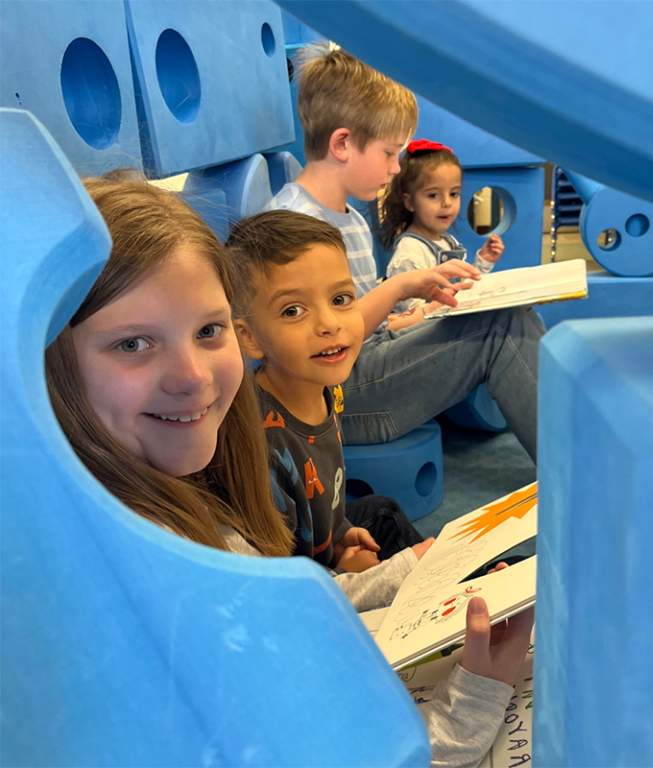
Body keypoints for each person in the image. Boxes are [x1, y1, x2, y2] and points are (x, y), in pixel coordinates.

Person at [46, 175, 534, 768]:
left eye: (207, 330)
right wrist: (481, 691)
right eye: (132, 345)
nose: (193, 377)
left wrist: (403, 571)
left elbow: (282, 588)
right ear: (50, 361)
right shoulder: (166, 572)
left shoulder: (194, 492)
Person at [266, 48, 544, 462]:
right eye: (389, 153)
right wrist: (399, 287)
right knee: (500, 328)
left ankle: (576, 447)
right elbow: (322, 340)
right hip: (339, 397)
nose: (397, 167)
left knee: (513, 311)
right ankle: (583, 480)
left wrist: (426, 306)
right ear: (342, 144)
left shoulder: (348, 217)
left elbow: (362, 319)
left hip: (366, 364)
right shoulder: (297, 224)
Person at [227, 209, 428, 571]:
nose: (330, 324)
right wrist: (344, 572)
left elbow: (325, 504)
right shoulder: (264, 445)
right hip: (299, 587)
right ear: (250, 338)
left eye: (340, 299)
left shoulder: (318, 386)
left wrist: (340, 536)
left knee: (381, 512)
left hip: (320, 546)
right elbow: (280, 589)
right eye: (293, 310)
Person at [380, 138, 504, 314]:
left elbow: (465, 290)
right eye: (433, 195)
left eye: (454, 193)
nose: (447, 203)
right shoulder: (409, 251)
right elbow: (410, 317)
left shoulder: (447, 241)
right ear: (410, 202)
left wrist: (483, 262)